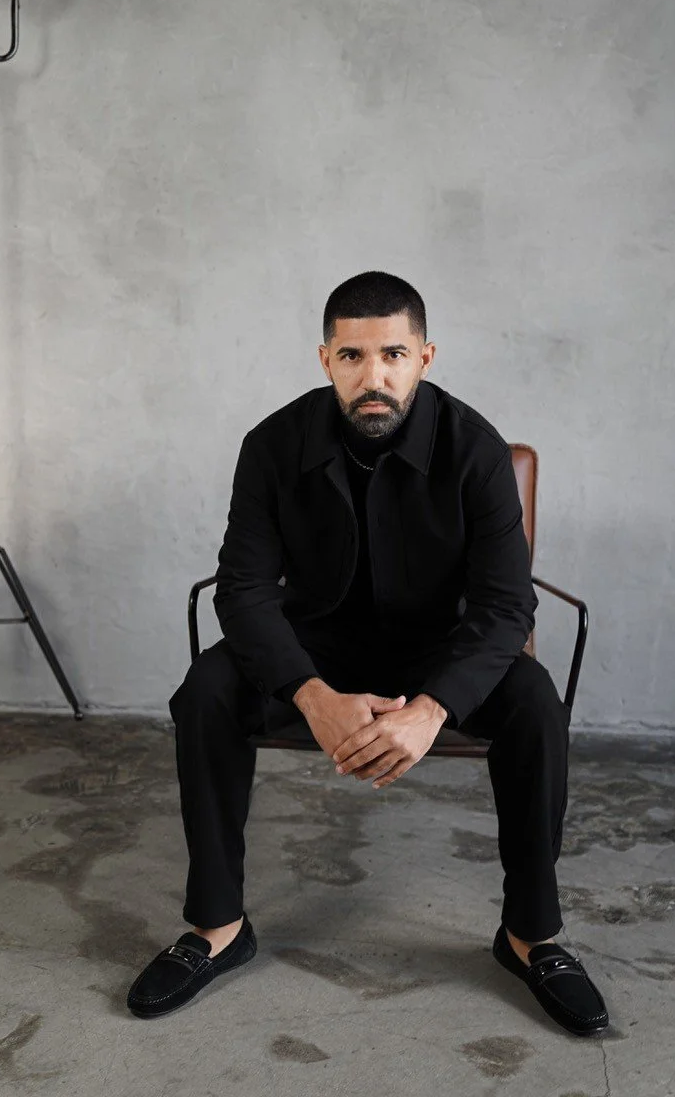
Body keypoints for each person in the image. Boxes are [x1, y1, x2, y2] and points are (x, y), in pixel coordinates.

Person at [127, 270, 608, 1036]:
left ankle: (529, 935)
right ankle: (217, 926)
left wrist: (433, 708)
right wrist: (310, 696)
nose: (373, 376)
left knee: (533, 704)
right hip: (313, 645)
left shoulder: (476, 450)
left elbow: (505, 605)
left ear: (424, 356)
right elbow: (243, 589)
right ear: (325, 361)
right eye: (352, 356)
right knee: (207, 689)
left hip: (437, 653)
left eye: (392, 354)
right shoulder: (271, 445)